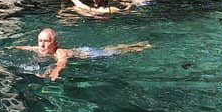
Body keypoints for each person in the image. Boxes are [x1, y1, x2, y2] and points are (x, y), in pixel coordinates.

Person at [11, 28, 150, 81]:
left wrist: (56, 71)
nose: (42, 45)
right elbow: (28, 47)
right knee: (110, 48)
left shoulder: (59, 52)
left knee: (113, 51)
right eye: (40, 41)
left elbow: (62, 62)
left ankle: (140, 46)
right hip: (82, 50)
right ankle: (139, 44)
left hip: (90, 54)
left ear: (54, 43)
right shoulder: (40, 48)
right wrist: (11, 47)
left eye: (46, 41)